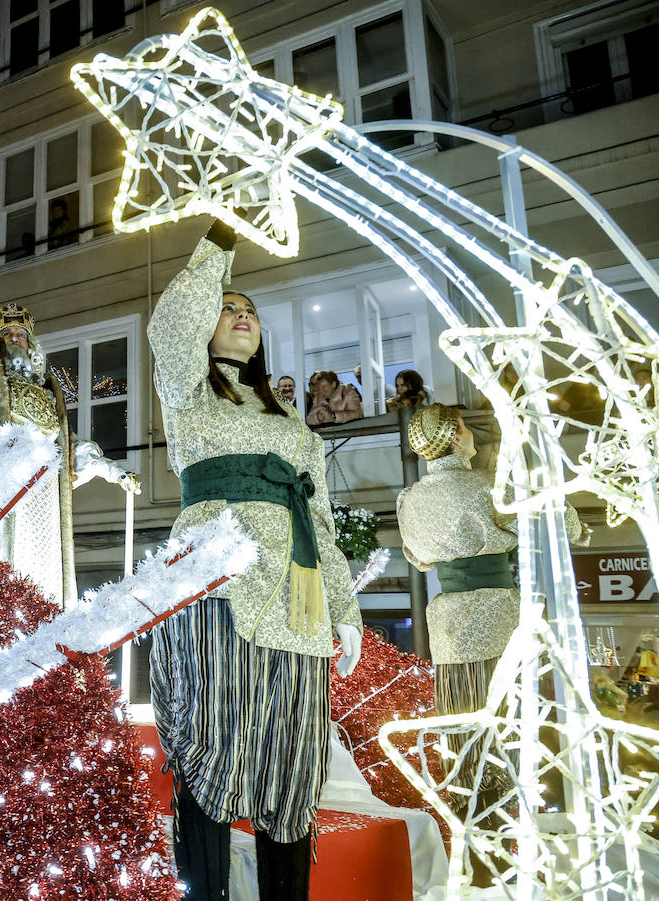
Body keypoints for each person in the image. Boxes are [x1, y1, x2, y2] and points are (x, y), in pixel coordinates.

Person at [146, 219, 363, 901]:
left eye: (251, 313)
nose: (242, 317)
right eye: (228, 307)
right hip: (219, 594)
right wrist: (220, 239)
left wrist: (346, 609)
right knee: (209, 756)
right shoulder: (187, 390)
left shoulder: (293, 425)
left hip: (297, 607)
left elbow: (320, 520)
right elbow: (169, 325)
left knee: (293, 770)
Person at [397, 404, 590, 884]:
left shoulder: (410, 499)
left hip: (446, 624)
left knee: (463, 735)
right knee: (511, 729)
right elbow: (559, 527)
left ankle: (476, 849)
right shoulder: (486, 486)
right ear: (458, 436)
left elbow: (419, 559)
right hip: (496, 616)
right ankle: (513, 847)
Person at [0, 227, 139, 606]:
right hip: (0, 491)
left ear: (32, 344)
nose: (15, 338)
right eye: (7, 332)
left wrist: (113, 471)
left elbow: (69, 449)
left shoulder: (48, 389)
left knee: (42, 582)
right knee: (0, 581)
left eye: (22, 334)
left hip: (43, 496)